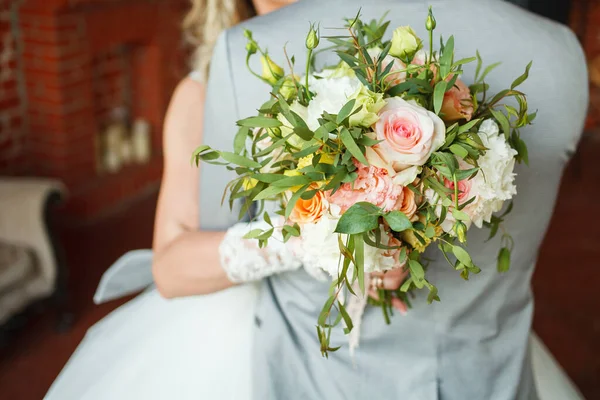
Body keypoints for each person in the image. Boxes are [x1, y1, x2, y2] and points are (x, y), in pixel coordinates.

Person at [45, 0, 588, 399]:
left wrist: (383, 227)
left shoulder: (368, 59)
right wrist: (321, 238)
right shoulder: (212, 80)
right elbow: (172, 265)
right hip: (281, 352)